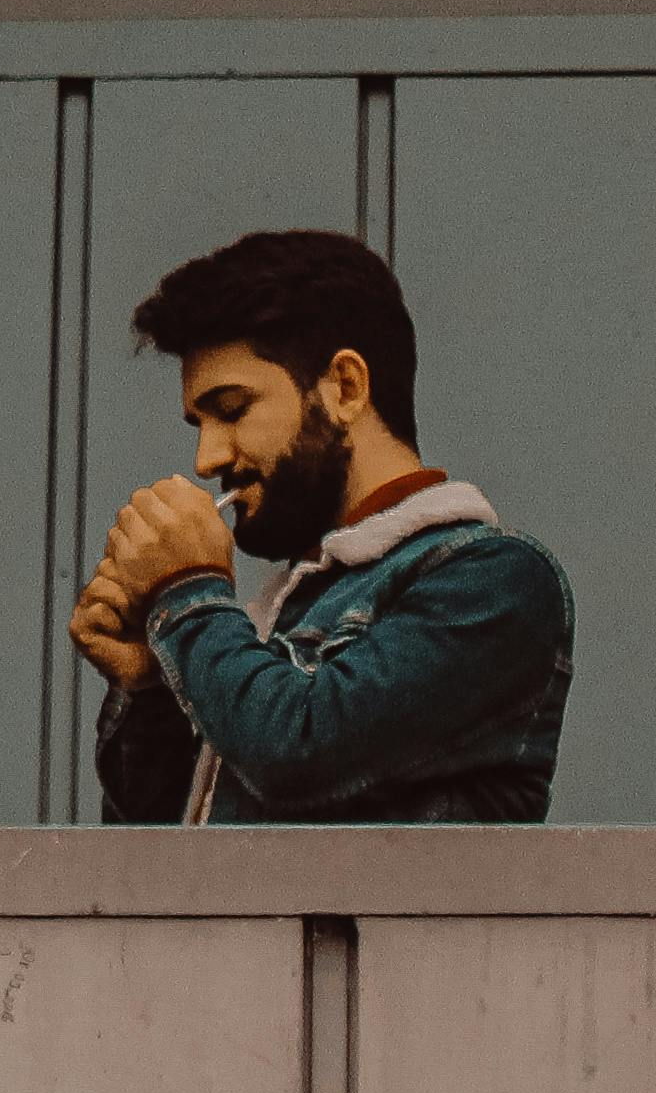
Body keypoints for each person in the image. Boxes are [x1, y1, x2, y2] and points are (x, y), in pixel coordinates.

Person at [70, 229, 572, 824]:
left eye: (231, 410)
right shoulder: (263, 620)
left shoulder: (496, 581)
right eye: (197, 425)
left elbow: (300, 752)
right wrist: (151, 691)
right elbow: (165, 872)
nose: (207, 459)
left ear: (346, 388)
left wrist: (190, 592)